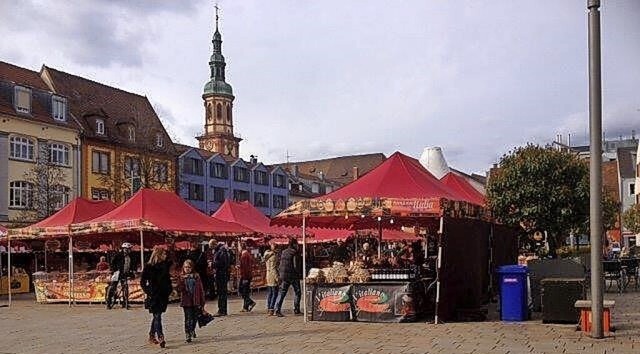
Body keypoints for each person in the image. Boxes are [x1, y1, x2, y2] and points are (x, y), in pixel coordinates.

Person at [140, 246, 173, 348]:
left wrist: (169, 290)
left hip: (163, 294)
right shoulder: (149, 267)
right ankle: (160, 336)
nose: (165, 255)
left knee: (157, 316)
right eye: (163, 254)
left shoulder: (165, 266)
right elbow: (142, 281)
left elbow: (167, 279)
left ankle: (151, 334)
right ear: (158, 254)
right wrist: (148, 291)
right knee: (157, 315)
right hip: (154, 295)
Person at [177, 259, 205, 343]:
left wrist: (202, 301)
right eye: (185, 267)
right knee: (188, 318)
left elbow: (200, 289)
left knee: (194, 317)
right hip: (186, 301)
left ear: (192, 267)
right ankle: (187, 333)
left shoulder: (196, 276)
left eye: (189, 267)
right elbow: (179, 289)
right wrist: (181, 281)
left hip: (196, 300)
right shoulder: (181, 277)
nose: (187, 269)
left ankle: (192, 329)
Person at [274, 238, 302, 317]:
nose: (298, 246)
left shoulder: (283, 252)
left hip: (283, 275)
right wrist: (298, 273)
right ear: (294, 244)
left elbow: (280, 264)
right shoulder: (295, 253)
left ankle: (277, 309)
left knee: (282, 293)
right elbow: (296, 265)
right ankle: (296, 309)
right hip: (293, 275)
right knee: (298, 292)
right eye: (297, 244)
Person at [106, 242, 136, 309]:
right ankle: (109, 302)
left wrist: (132, 271)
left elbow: (133, 265)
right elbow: (112, 263)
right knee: (113, 286)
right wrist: (115, 270)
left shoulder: (131, 256)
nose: (128, 250)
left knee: (125, 287)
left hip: (125, 273)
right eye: (126, 249)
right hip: (117, 273)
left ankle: (125, 302)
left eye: (129, 249)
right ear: (124, 249)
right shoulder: (118, 255)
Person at [213, 242, 231, 316]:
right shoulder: (225, 252)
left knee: (221, 293)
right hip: (224, 274)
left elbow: (221, 263)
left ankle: (221, 310)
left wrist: (213, 264)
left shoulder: (221, 252)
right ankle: (223, 309)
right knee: (223, 293)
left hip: (221, 275)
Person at [239, 244, 256, 312]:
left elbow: (245, 268)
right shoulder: (247, 255)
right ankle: (245, 307)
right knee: (245, 291)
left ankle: (250, 302)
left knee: (243, 291)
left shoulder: (244, 256)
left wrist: (244, 278)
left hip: (245, 276)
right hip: (247, 275)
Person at [263, 242, 279, 316]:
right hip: (272, 275)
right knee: (274, 293)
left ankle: (269, 307)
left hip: (268, 274)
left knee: (270, 293)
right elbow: (273, 268)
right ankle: (271, 308)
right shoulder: (274, 256)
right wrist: (277, 278)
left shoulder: (266, 254)